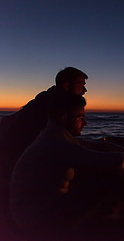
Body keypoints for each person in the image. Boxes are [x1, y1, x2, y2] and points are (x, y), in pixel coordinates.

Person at [9, 94, 124, 238]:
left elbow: (103, 146)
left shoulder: (54, 135)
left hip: (34, 211)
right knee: (115, 174)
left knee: (99, 169)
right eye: (80, 118)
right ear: (64, 118)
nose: (85, 123)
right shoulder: (57, 144)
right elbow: (119, 163)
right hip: (37, 221)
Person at [0, 67, 88, 229]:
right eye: (81, 84)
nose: (85, 90)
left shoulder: (47, 98)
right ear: (67, 85)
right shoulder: (53, 105)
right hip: (18, 155)